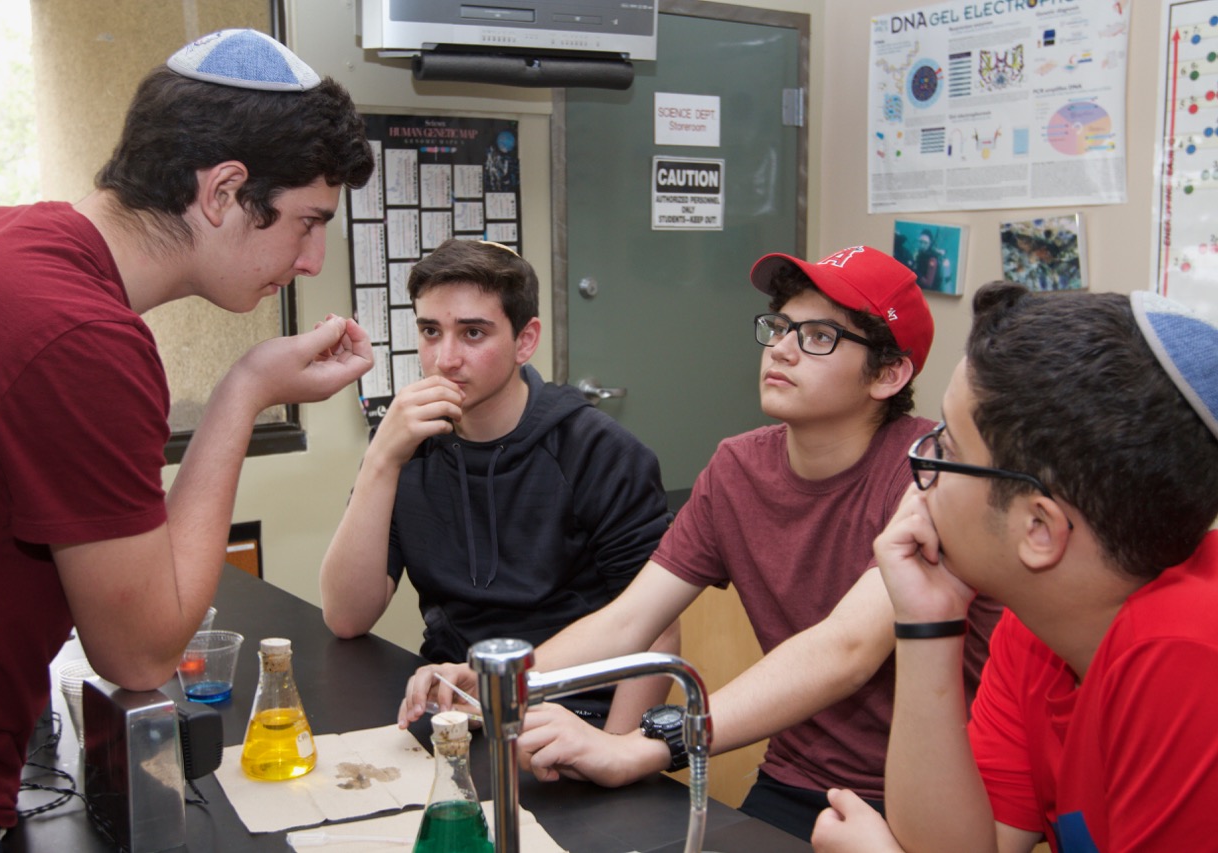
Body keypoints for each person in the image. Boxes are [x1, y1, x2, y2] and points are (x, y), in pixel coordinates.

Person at [0, 29, 376, 851]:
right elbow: (140, 650)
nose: (313, 260)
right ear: (223, 191)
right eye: (307, 222)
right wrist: (244, 392)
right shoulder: (80, 334)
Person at [400, 245, 1002, 841]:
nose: (782, 349)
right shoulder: (739, 467)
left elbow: (845, 650)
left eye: (820, 337)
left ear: (890, 374)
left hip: (937, 799)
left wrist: (642, 747)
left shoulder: (933, 473)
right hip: (796, 778)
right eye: (780, 327)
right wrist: (500, 680)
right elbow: (631, 618)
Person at [810, 283, 1218, 852]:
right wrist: (926, 622)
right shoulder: (1043, 628)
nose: (923, 473)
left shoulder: (1188, 656)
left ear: (1039, 529)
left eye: (949, 450)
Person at [320, 237, 675, 732]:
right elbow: (347, 617)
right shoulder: (406, 445)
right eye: (430, 331)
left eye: (472, 333)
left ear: (525, 341)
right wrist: (381, 459)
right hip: (455, 702)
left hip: (573, 711)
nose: (445, 359)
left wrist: (614, 752)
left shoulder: (599, 451)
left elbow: (658, 633)